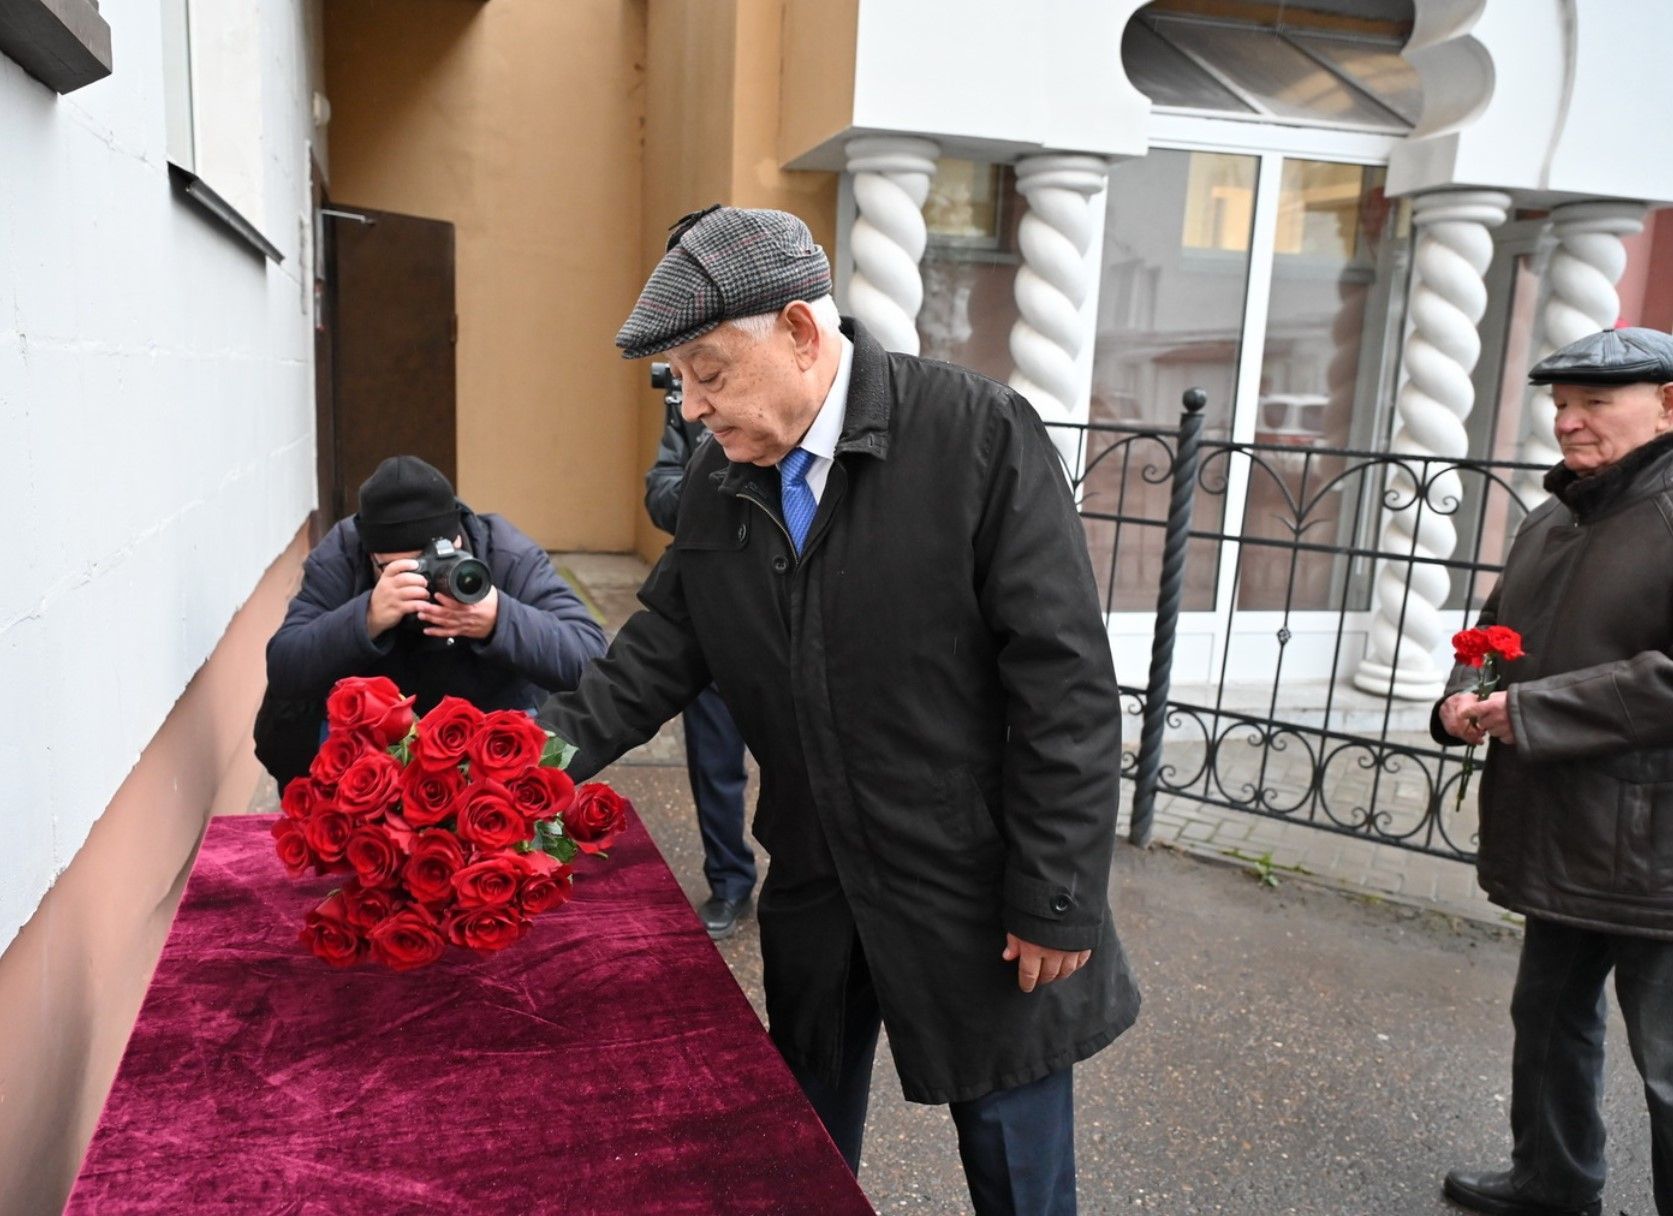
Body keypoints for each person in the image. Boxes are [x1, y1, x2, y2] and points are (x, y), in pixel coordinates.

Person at [539, 205, 1140, 1214]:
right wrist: (498, 776)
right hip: (819, 883)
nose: (691, 409)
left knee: (1015, 1168)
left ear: (801, 334)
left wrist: (1055, 894)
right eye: (678, 381)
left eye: (709, 373)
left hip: (974, 883)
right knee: (797, 1156)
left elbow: (1063, 681)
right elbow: (637, 672)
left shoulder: (976, 437)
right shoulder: (721, 487)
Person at [1435, 326, 1673, 1216]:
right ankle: (1551, 1184)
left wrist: (1531, 713)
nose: (1567, 424)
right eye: (1559, 405)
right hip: (1560, 825)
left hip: (1658, 849)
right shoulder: (1553, 515)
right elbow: (1493, 634)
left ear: (1667, 403)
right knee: (1545, 1022)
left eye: (1593, 404)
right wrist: (1465, 694)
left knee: (1670, 1068)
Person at [256, 455, 607, 787]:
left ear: (458, 538)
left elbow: (590, 659)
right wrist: (366, 617)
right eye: (402, 569)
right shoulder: (343, 556)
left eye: (436, 562)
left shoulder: (505, 554)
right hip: (375, 731)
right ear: (371, 555)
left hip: (490, 722)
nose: (423, 580)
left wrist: (499, 619)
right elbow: (286, 666)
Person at [644, 377, 758, 939]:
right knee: (713, 759)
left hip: (787, 606)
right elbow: (659, 493)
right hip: (709, 597)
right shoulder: (691, 412)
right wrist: (706, 480)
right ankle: (730, 882)